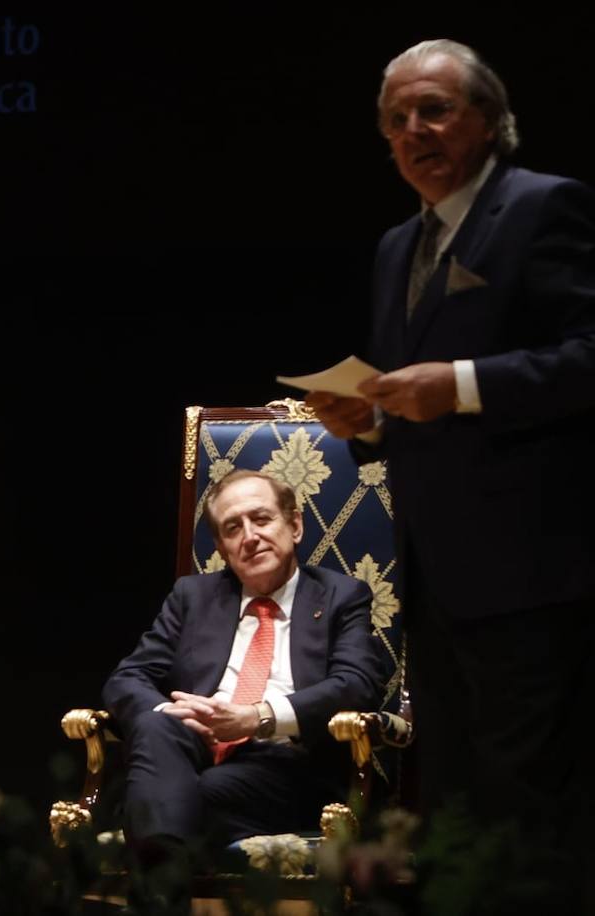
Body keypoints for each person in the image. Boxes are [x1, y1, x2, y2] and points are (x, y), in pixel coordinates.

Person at [305, 40, 595, 860]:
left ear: (492, 120)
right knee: (458, 801)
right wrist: (365, 423)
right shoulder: (399, 244)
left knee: (529, 803)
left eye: (434, 109)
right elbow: (409, 398)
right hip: (437, 575)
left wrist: (463, 382)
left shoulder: (545, 206)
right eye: (396, 120)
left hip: (537, 569)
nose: (414, 131)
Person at [102, 471, 386, 857]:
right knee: (156, 726)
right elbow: (128, 678)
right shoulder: (193, 596)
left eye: (262, 519)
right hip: (190, 752)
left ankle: (154, 893)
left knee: (161, 799)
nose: (249, 537)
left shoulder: (341, 596)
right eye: (233, 528)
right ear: (221, 546)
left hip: (286, 766)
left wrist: (257, 717)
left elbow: (357, 684)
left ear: (295, 525)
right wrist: (173, 712)